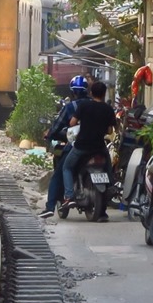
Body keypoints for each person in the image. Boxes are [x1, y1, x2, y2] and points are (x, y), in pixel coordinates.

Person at [60, 81, 117, 222]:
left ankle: (68, 196)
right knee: (108, 168)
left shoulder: (84, 106)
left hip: (82, 146)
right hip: (99, 147)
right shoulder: (108, 109)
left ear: (91, 93)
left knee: (66, 167)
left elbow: (72, 123)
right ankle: (111, 186)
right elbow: (110, 130)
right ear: (104, 94)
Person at [38, 76, 90, 219]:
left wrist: (49, 136)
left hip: (77, 146)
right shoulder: (96, 105)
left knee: (59, 173)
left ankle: (52, 206)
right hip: (98, 146)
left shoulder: (71, 107)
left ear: (73, 92)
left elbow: (58, 125)